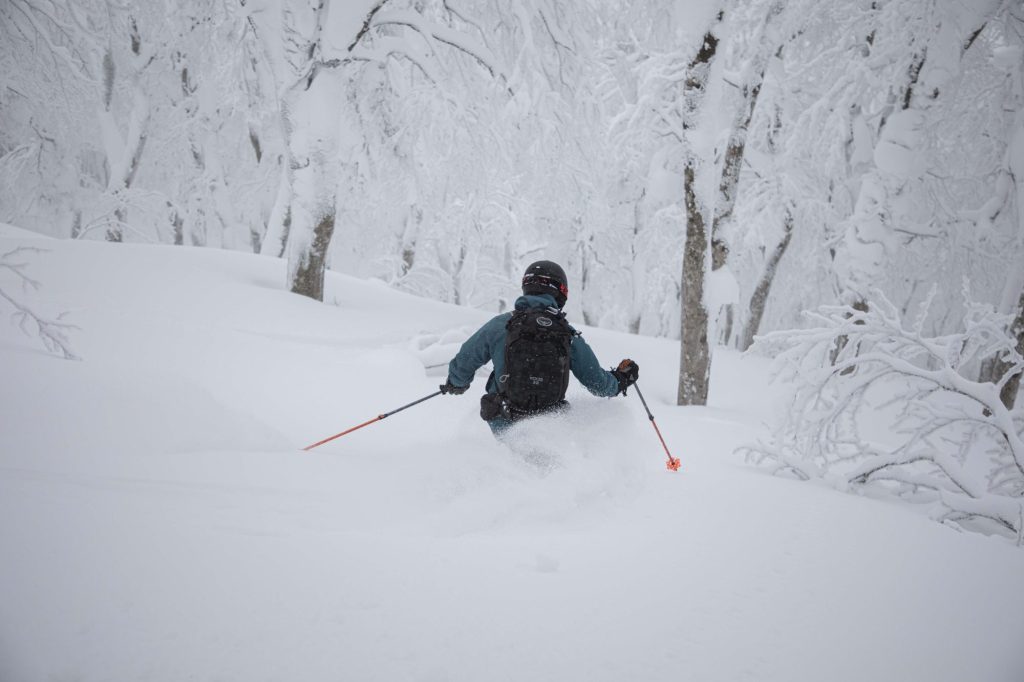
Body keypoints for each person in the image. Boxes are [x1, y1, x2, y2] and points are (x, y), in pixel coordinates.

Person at [439, 260, 639, 435]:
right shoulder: (567, 335)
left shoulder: (501, 325)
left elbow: (466, 359)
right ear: (561, 293)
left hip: (503, 420)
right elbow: (598, 383)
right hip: (550, 424)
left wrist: (456, 383)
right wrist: (621, 379)